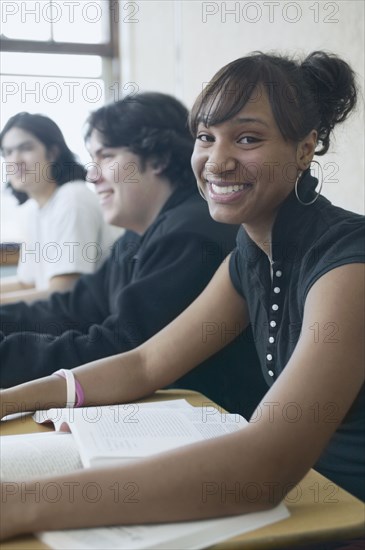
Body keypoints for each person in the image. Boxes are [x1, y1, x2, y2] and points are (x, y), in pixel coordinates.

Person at [1, 51, 364, 544]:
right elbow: (147, 363)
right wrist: (11, 400)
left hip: (339, 513)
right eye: (206, 137)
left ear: (305, 149)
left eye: (248, 138)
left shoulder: (348, 259)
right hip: (304, 504)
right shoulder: (251, 250)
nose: (217, 160)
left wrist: (21, 503)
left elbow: (263, 468)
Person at [0, 92, 263, 416]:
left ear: (158, 158)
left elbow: (120, 350)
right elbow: (73, 308)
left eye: (106, 156)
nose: (92, 175)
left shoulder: (190, 235)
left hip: (212, 424)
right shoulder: (136, 236)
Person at [0, 113, 121, 304]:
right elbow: (27, 283)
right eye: (7, 152)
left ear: (53, 153)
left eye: (25, 148)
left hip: (84, 324)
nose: (15, 160)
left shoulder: (72, 198)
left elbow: (63, 291)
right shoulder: (34, 210)